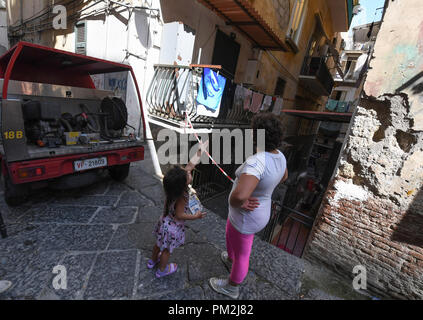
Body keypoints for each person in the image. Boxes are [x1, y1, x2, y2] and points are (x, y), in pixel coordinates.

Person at [209, 112, 288, 299]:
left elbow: (238, 196)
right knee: (230, 230)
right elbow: (284, 177)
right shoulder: (280, 156)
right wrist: (263, 190)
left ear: (256, 134)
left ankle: (232, 286)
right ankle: (230, 258)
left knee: (244, 253)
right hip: (258, 211)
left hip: (247, 215)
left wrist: (239, 200)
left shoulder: (257, 162)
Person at [148, 144, 207, 278]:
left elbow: (190, 165)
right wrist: (196, 216)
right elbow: (180, 214)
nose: (189, 172)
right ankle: (162, 270)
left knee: (158, 243)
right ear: (184, 183)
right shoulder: (182, 196)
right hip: (172, 229)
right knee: (167, 250)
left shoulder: (172, 187)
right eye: (188, 174)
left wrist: (200, 151)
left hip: (163, 222)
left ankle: (152, 261)